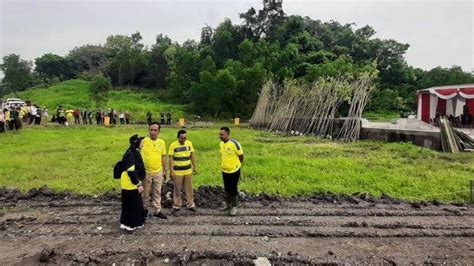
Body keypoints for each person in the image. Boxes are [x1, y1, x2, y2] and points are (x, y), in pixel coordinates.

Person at [140, 122, 168, 219]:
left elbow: (163, 156)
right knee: (145, 193)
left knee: (157, 192)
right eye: (151, 130)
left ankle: (157, 211)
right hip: (146, 172)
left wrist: (165, 170)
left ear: (159, 131)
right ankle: (144, 210)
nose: (152, 132)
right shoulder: (143, 141)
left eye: (155, 130)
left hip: (158, 171)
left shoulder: (162, 142)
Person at [119, 134, 147, 231]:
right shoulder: (131, 154)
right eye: (141, 142)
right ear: (136, 143)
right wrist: (138, 184)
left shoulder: (133, 152)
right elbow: (131, 171)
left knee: (130, 202)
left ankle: (125, 222)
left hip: (129, 181)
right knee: (132, 203)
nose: (142, 143)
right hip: (129, 182)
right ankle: (130, 224)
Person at [169, 129, 197, 215]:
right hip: (178, 172)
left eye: (185, 138)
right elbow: (171, 159)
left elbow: (192, 155)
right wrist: (171, 171)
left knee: (189, 188)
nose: (183, 140)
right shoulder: (173, 145)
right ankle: (177, 206)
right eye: (182, 138)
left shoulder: (189, 143)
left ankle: (190, 204)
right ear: (178, 137)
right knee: (177, 189)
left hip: (188, 171)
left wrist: (194, 167)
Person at [219, 126, 244, 216]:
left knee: (233, 189)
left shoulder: (234, 143)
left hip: (234, 171)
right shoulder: (221, 144)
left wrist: (237, 165)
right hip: (225, 170)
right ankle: (228, 204)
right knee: (226, 188)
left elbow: (241, 156)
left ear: (227, 134)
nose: (220, 136)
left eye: (222, 134)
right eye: (219, 134)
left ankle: (234, 206)